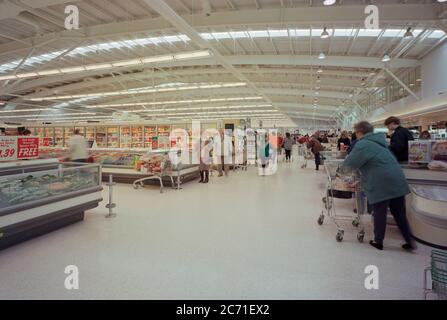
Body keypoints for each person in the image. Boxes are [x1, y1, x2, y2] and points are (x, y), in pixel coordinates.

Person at [342, 121, 415, 251]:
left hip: (381, 181)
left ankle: (378, 241)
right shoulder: (382, 143)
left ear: (359, 132)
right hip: (397, 178)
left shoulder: (363, 144)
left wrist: (340, 172)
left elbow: (350, 163)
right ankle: (409, 241)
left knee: (380, 211)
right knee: (399, 213)